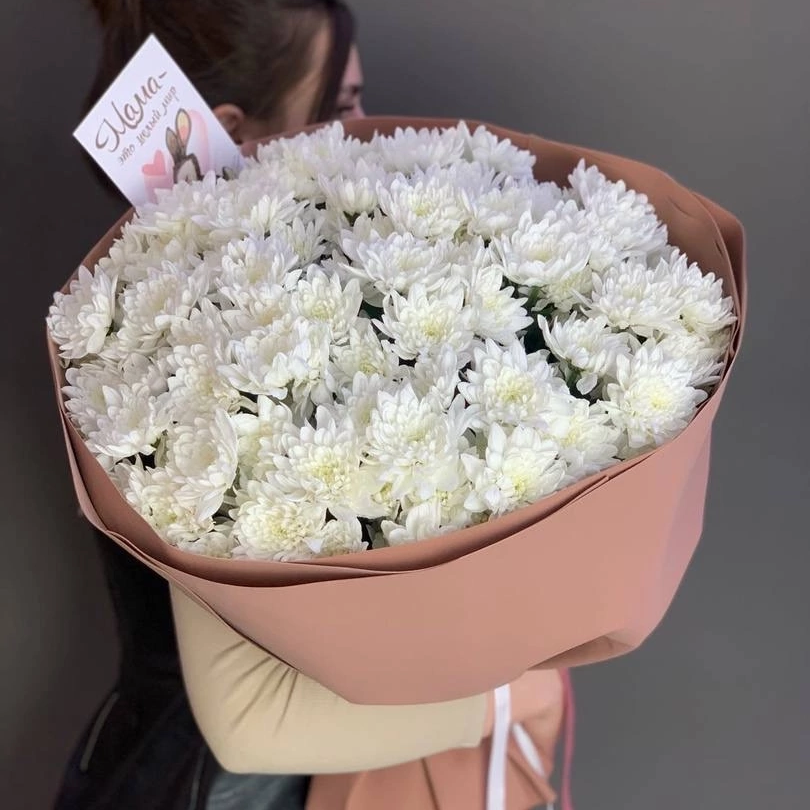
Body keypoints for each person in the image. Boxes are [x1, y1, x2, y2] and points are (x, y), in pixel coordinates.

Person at [56, 2, 551, 808]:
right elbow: (250, 724)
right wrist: (518, 693)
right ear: (231, 129)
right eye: (344, 103)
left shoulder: (260, 302)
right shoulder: (200, 345)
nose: (366, 128)